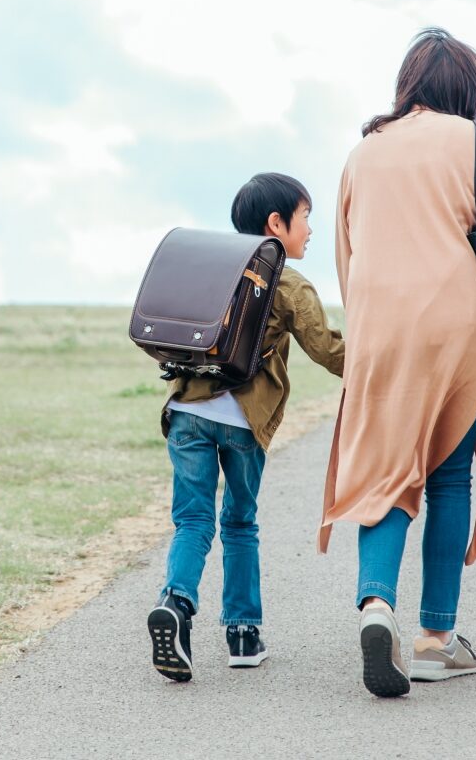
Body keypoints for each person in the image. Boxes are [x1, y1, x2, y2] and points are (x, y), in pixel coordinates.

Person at [319, 27, 476, 698]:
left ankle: (376, 606)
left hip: (381, 323)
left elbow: (346, 254)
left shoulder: (364, 151)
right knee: (448, 478)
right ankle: (436, 639)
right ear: (466, 88)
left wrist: (365, 333)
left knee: (385, 473)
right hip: (457, 326)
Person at [148, 173, 345, 682]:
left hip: (188, 412)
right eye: (306, 218)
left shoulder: (213, 268)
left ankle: (176, 603)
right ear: (276, 223)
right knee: (239, 523)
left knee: (192, 522)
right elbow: (329, 352)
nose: (310, 231)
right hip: (242, 421)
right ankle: (243, 634)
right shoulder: (289, 282)